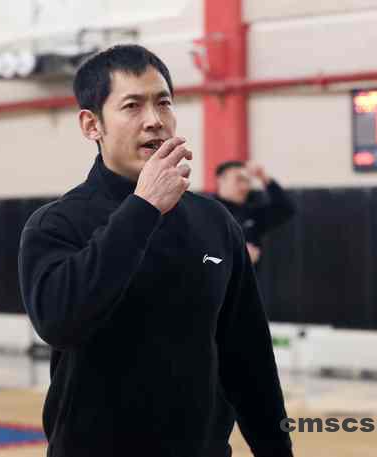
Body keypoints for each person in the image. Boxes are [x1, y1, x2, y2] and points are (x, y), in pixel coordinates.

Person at [18, 45, 292, 457]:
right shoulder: (56, 225)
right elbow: (60, 323)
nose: (154, 120)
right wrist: (143, 208)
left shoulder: (214, 222)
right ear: (92, 125)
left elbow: (248, 356)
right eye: (132, 106)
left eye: (163, 103)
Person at [214, 161, 295, 265]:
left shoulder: (250, 211)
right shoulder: (207, 211)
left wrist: (263, 177)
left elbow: (285, 209)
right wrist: (237, 257)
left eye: (247, 181)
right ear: (221, 180)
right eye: (239, 179)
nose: (244, 186)